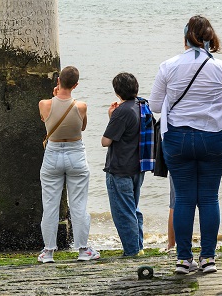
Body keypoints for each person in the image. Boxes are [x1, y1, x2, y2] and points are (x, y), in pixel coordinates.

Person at [151, 15, 222, 275]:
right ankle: (208, 258)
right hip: (214, 137)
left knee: (184, 198)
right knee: (209, 197)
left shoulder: (168, 66)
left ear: (185, 38)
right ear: (211, 39)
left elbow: (156, 106)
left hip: (178, 139)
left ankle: (183, 259)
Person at [38, 66, 99, 263]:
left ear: (58, 81)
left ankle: (48, 252)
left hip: (53, 154)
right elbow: (82, 126)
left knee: (50, 205)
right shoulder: (81, 106)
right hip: (75, 154)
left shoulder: (44, 104)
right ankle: (82, 249)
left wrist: (55, 96)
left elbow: (45, 118)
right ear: (76, 85)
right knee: (78, 205)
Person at [101, 72, 145, 257]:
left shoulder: (122, 111)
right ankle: (138, 247)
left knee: (123, 213)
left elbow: (106, 141)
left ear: (117, 92)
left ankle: (132, 251)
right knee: (133, 209)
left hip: (120, 169)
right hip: (137, 166)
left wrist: (112, 116)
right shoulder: (141, 105)